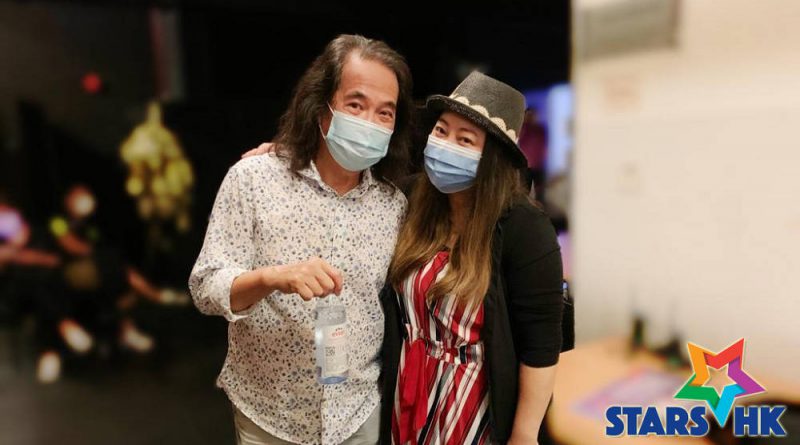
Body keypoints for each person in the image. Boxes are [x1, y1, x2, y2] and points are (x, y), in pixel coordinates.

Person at [189, 34, 414, 445]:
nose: (369, 122)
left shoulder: (393, 205)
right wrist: (271, 278)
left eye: (385, 112)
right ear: (321, 107)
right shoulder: (253, 180)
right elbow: (205, 287)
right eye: (356, 105)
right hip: (270, 414)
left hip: (357, 412)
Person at [380, 72, 565, 445]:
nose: (445, 145)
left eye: (465, 140)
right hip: (407, 391)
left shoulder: (524, 228)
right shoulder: (413, 199)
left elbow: (541, 347)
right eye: (441, 131)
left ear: (492, 158)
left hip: (473, 406)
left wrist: (524, 434)